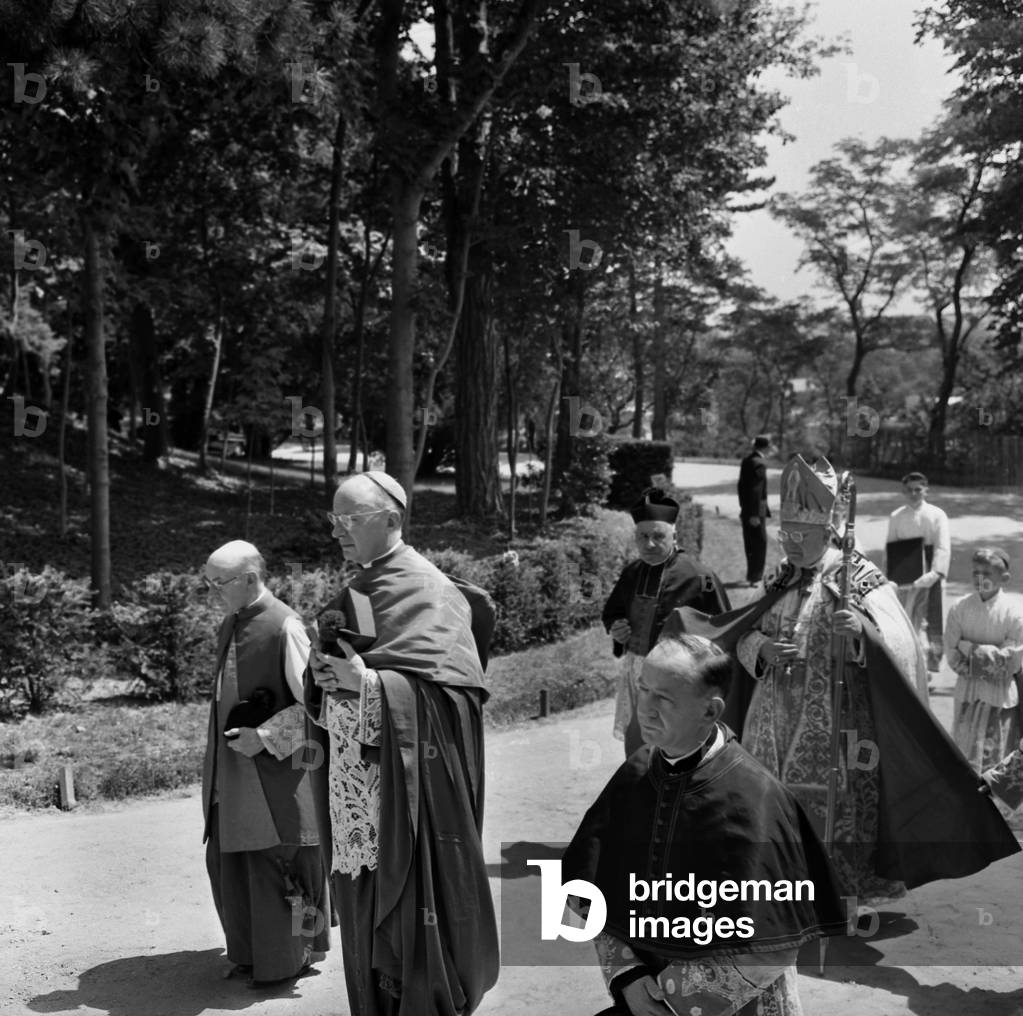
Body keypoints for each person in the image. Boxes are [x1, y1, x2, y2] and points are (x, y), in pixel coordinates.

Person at [670, 455, 1019, 907]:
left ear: (827, 530)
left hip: (839, 723)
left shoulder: (857, 575)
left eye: (802, 536)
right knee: (765, 800)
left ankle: (834, 894)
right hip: (771, 720)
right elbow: (743, 633)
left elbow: (900, 643)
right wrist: (761, 650)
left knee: (832, 806)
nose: (792, 545)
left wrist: (859, 636)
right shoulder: (779, 576)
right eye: (787, 535)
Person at [562, 634, 846, 1016]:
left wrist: (672, 999)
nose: (644, 709)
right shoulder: (634, 776)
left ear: (710, 712)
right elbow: (593, 889)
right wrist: (627, 976)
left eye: (663, 698)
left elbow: (772, 943)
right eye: (642, 689)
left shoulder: (756, 797)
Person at [304, 471, 498, 1016]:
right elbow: (341, 679)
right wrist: (321, 678)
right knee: (365, 922)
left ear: (392, 520)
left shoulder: (432, 591)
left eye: (351, 520)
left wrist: (366, 685)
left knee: (409, 929)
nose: (339, 531)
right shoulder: (358, 587)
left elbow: (454, 703)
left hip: (411, 804)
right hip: (356, 795)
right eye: (334, 520)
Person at [199, 540, 330, 987]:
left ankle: (292, 956)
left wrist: (267, 736)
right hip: (231, 774)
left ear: (251, 578)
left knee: (278, 865)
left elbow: (318, 706)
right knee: (232, 864)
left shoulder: (285, 627)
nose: (213, 592)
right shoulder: (229, 624)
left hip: (276, 776)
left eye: (220, 583)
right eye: (210, 583)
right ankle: (253, 954)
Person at [602, 487, 729, 756]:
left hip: (677, 679)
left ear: (675, 535)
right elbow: (613, 612)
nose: (649, 544)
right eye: (642, 537)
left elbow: (723, 633)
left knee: (671, 746)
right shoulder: (633, 572)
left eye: (658, 536)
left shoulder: (698, 577)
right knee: (637, 746)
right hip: (636, 671)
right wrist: (617, 629)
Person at [945, 547, 1023, 771]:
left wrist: (968, 647)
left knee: (997, 760)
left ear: (1004, 578)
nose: (980, 579)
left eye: (987, 574)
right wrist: (992, 654)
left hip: (999, 696)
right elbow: (952, 653)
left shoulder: (1015, 611)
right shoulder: (959, 608)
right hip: (968, 694)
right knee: (964, 756)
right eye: (975, 572)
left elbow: (1012, 661)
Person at [885, 471, 950, 672]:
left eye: (918, 489)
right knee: (908, 618)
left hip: (930, 572)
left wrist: (935, 574)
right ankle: (909, 666)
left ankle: (929, 667)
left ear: (926, 490)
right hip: (904, 575)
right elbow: (891, 548)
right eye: (909, 490)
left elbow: (942, 547)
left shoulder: (937, 514)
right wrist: (889, 577)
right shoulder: (896, 516)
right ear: (904, 491)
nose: (914, 494)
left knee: (929, 619)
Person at [737, 435, 774, 586]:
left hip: (746, 509)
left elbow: (741, 487)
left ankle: (751, 575)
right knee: (759, 543)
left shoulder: (747, 460)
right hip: (756, 511)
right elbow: (756, 491)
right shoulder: (759, 463)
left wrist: (744, 508)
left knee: (750, 543)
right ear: (766, 447)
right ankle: (756, 578)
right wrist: (754, 514)